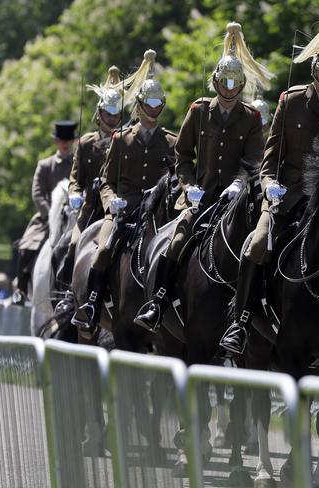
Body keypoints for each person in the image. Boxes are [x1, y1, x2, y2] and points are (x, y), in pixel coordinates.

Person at [218, 6, 319, 358]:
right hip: (288, 195)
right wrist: (268, 186)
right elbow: (270, 158)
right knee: (257, 244)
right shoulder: (291, 102)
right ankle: (241, 322)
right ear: (316, 71)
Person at [133, 23, 272, 333]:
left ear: (241, 86)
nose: (229, 91)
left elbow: (254, 160)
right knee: (179, 238)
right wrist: (189, 186)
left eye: (235, 85)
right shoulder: (198, 111)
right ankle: (159, 300)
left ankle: (255, 310)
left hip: (238, 201)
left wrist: (239, 183)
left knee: (262, 245)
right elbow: (182, 156)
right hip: (202, 197)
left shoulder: (251, 118)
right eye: (224, 84)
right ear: (215, 83)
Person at [72, 49, 177, 332]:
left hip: (156, 208)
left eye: (158, 104)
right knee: (104, 247)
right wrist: (111, 203)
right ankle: (92, 301)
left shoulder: (171, 142)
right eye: (149, 104)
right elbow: (105, 181)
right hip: (125, 206)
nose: (154, 110)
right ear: (140, 106)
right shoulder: (120, 140)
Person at [53, 66, 122, 312]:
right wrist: (74, 194)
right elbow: (75, 178)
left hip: (117, 209)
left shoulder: (125, 140)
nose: (112, 119)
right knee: (70, 245)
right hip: (91, 208)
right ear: (99, 113)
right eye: (108, 113)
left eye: (116, 114)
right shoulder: (85, 144)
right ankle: (70, 295)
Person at [11, 120, 78, 306]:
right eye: (61, 140)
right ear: (56, 142)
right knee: (27, 246)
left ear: (72, 141)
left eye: (68, 140)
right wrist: (51, 215)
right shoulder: (45, 165)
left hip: (75, 216)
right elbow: (37, 193)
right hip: (47, 217)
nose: (65, 143)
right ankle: (21, 289)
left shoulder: (78, 164)